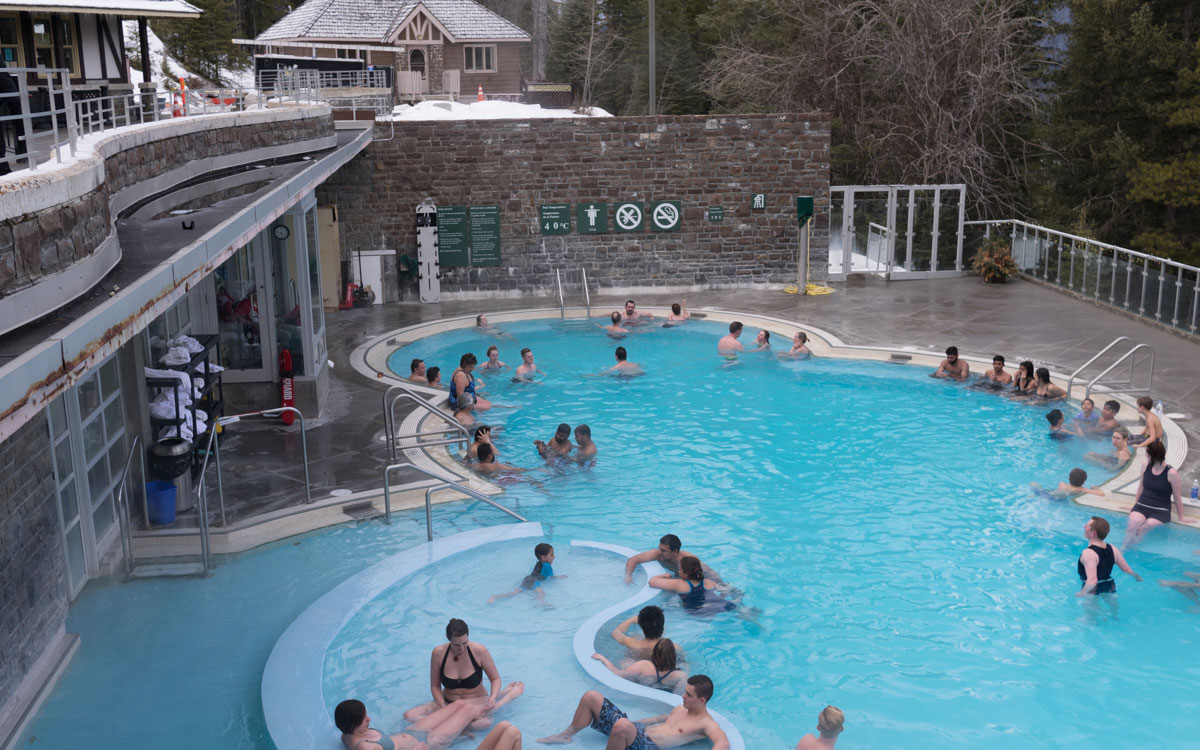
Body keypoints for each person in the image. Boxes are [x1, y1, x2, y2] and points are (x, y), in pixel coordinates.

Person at [536, 675, 730, 749]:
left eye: (688, 694)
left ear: (702, 700)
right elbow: (656, 719)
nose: (682, 696)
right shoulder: (681, 708)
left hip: (648, 745)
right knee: (591, 696)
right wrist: (631, 725)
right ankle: (566, 735)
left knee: (621, 725)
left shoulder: (706, 723)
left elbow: (723, 742)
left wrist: (624, 728)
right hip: (635, 730)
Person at [404, 619, 524, 730]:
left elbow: (495, 679)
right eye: (456, 645)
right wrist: (442, 706)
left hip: (475, 702)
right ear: (448, 639)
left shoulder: (479, 651)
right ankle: (459, 728)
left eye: (464, 643)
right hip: (448, 703)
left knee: (483, 724)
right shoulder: (438, 653)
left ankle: (499, 698)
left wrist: (492, 696)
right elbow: (435, 686)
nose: (461, 648)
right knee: (409, 716)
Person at [336, 697, 477, 750]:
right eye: (363, 718)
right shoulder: (364, 747)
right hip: (429, 742)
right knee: (468, 710)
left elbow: (346, 737)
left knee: (459, 703)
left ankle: (463, 729)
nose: (369, 719)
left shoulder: (347, 734)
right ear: (352, 724)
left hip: (412, 731)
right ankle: (494, 703)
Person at [1124, 439, 1183, 547]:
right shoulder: (1145, 465)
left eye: (1147, 453)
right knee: (1132, 526)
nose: (1145, 455)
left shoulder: (1171, 473)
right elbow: (1140, 487)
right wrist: (1135, 505)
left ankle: (1135, 549)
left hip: (1160, 510)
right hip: (1142, 505)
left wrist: (1181, 517)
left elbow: (1177, 497)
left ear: (1153, 456)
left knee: (1144, 528)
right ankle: (1124, 549)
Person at [591, 638, 686, 692]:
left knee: (625, 662)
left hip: (643, 690)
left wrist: (603, 659)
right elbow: (678, 698)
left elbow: (617, 674)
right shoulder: (680, 676)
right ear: (673, 655)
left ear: (654, 653)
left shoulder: (643, 665)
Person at [649, 556, 735, 615]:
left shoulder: (680, 584)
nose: (679, 571)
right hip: (716, 606)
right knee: (735, 607)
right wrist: (721, 598)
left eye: (680, 569)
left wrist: (664, 576)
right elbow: (726, 590)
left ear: (686, 574)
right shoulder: (708, 582)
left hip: (697, 613)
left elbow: (652, 582)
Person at [1077, 516, 1141, 596]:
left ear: (1093, 533)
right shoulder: (1113, 548)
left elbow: (1092, 580)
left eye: (1087, 526)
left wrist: (1082, 593)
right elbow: (1127, 569)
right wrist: (1137, 577)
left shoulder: (1088, 553)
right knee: (1114, 608)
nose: (1084, 527)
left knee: (1091, 608)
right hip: (1109, 584)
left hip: (1092, 589)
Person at [488, 543, 564, 603]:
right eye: (551, 554)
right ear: (543, 557)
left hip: (527, 579)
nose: (554, 556)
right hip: (535, 582)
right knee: (541, 593)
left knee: (514, 593)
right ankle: (542, 603)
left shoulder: (538, 563)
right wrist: (561, 577)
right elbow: (552, 578)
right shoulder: (547, 566)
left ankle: (495, 597)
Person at [624, 534, 708, 583]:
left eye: (664, 550)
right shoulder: (657, 554)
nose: (660, 552)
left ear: (675, 551)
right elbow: (633, 560)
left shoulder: (687, 560)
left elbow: (704, 573)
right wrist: (628, 575)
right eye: (659, 548)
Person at [1032, 467, 1105, 499]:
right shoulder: (1080, 489)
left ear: (1069, 478)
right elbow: (1101, 494)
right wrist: (1095, 488)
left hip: (1051, 494)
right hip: (1058, 499)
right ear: (1083, 482)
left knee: (1034, 485)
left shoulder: (1062, 484)